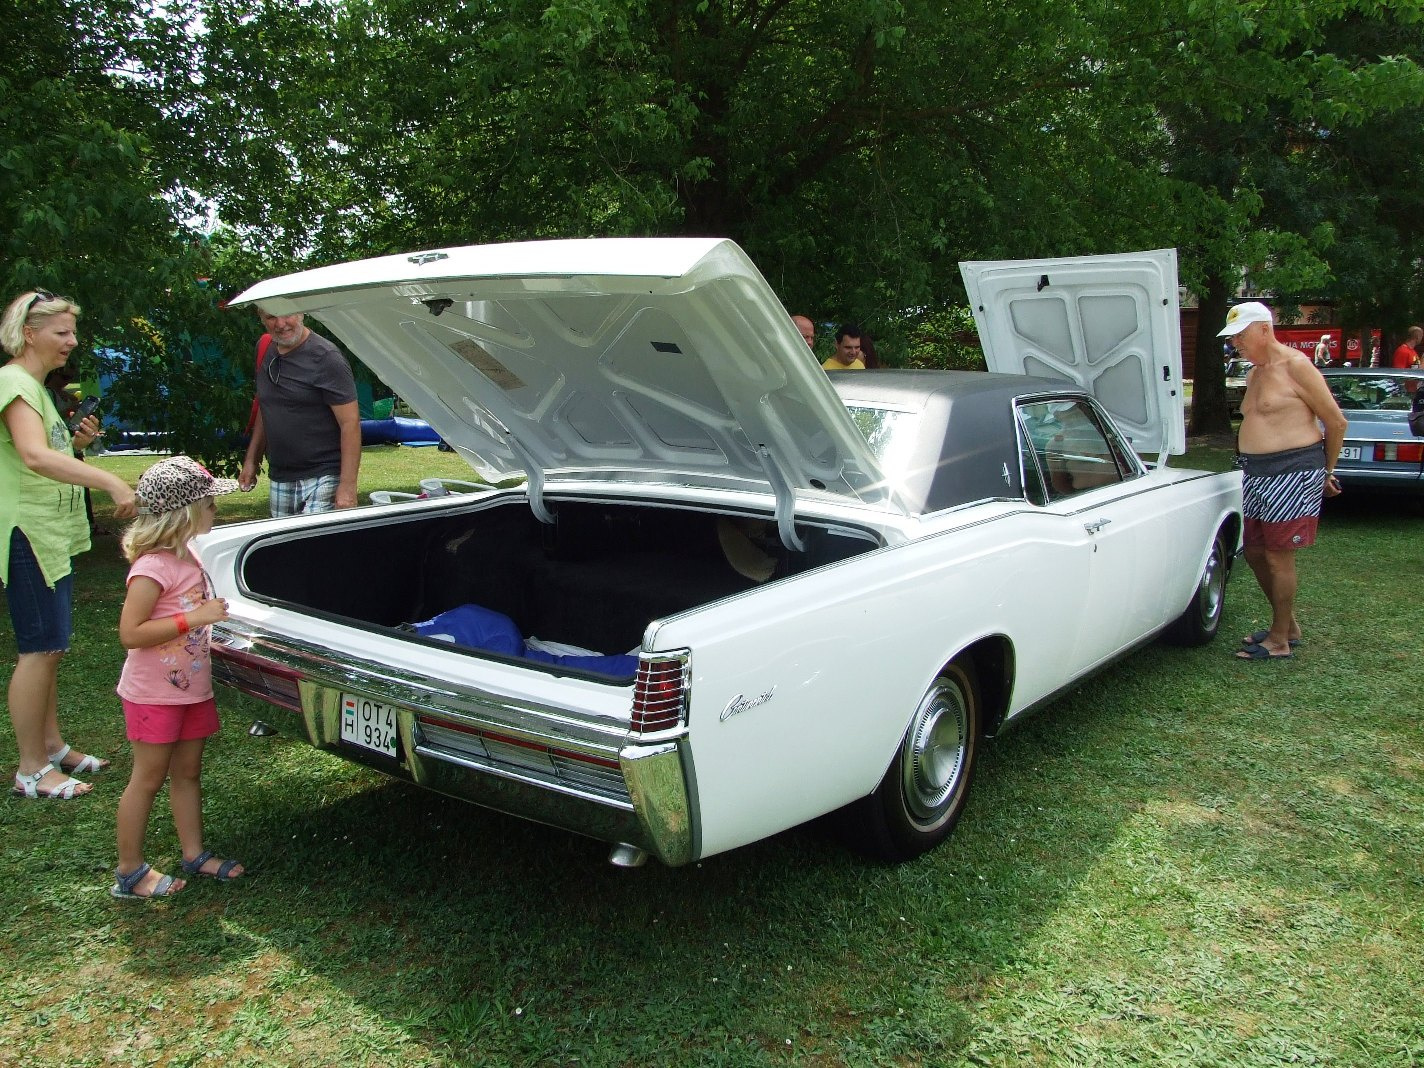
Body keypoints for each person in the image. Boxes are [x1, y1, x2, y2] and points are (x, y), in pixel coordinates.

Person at [2, 289, 137, 800]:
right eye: (61, 333)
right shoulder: (14, 382)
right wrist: (109, 480)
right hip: (27, 535)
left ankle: (53, 746)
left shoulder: (35, 388)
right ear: (28, 333)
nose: (71, 343)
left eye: (72, 332)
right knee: (39, 649)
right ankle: (32, 769)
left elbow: (41, 450)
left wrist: (77, 446)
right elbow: (34, 458)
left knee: (52, 647)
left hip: (48, 534)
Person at [112, 455, 245, 899]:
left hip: (192, 690)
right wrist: (194, 618)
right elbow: (131, 634)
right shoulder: (152, 569)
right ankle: (130, 871)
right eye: (209, 504)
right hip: (153, 695)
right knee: (148, 777)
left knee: (188, 772)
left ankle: (194, 853)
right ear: (183, 513)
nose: (215, 510)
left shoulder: (188, 555)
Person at [1218, 301, 1347, 661]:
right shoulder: (1256, 372)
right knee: (1256, 552)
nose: (1236, 344)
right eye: (1233, 338)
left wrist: (1327, 471)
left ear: (1263, 329)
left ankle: (1279, 640)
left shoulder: (1297, 366)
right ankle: (1286, 625)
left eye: (1240, 336)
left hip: (1292, 472)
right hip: (1256, 472)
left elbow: (1335, 422)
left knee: (1278, 556)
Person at [238, 305, 361, 515]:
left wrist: (348, 487)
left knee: (313, 545)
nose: (280, 323)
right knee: (285, 546)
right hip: (281, 475)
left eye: (287, 313)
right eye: (271, 317)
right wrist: (252, 459)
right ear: (261, 318)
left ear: (301, 312)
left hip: (323, 475)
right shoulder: (264, 348)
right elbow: (267, 406)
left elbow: (350, 423)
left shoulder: (326, 357)